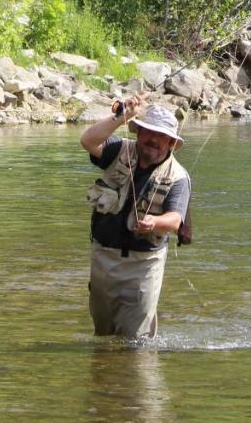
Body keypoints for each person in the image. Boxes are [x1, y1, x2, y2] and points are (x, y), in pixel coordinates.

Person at [80, 94, 191, 340]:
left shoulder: (178, 177)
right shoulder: (119, 150)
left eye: (161, 136)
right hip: (103, 260)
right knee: (103, 335)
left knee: (136, 341)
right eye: (149, 133)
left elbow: (174, 220)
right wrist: (120, 118)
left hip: (143, 266)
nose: (153, 140)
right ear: (139, 132)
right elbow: (88, 140)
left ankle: (136, 376)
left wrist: (154, 222)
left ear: (171, 143)